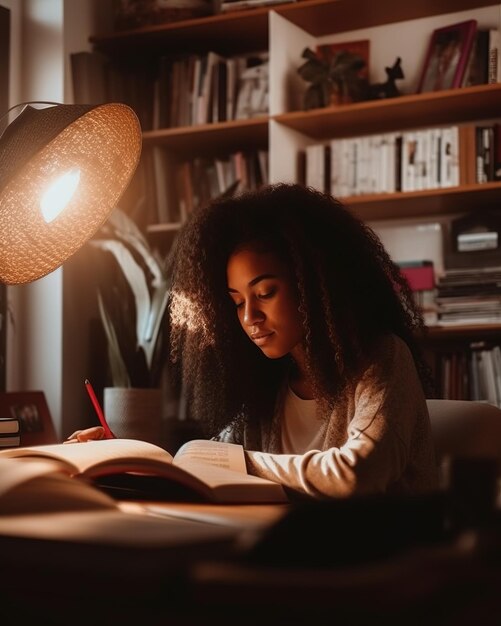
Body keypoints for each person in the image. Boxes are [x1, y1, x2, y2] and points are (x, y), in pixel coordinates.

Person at [68, 183, 438, 499]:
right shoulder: (268, 387)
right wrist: (121, 457)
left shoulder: (382, 359)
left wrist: (237, 463)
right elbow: (202, 463)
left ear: (313, 284)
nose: (249, 318)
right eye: (237, 302)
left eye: (265, 292)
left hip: (386, 570)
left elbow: (358, 474)